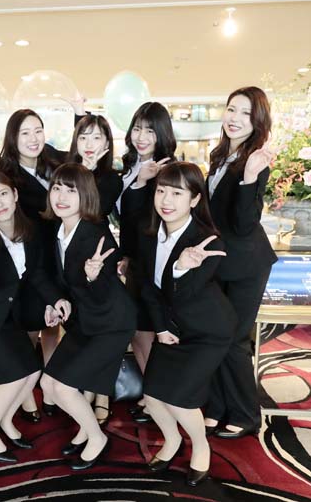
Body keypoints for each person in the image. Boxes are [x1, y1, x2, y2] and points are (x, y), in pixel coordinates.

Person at [0, 170, 71, 462]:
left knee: (32, 371)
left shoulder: (30, 230)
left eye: (3, 194)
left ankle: (6, 421)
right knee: (14, 376)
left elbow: (37, 274)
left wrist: (55, 299)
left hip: (7, 315)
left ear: (15, 195)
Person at [137, 162, 235, 487]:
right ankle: (172, 440)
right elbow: (148, 288)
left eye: (177, 193)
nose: (166, 200)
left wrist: (180, 267)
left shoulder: (208, 242)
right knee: (152, 396)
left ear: (194, 199)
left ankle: (201, 446)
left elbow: (187, 295)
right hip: (171, 327)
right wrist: (161, 328)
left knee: (180, 399)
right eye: (161, 191)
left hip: (208, 331)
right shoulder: (149, 233)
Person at [39, 163, 136, 470]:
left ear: (86, 196)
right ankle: (85, 428)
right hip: (84, 321)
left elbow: (104, 293)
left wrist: (93, 277)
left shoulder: (97, 235)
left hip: (111, 323)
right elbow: (46, 276)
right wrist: (56, 301)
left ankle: (96, 438)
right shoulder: (56, 231)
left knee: (64, 387)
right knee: (48, 384)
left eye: (71, 190)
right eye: (57, 188)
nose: (61, 197)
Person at [203, 86, 278, 439]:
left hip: (248, 264)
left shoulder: (255, 160)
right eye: (231, 109)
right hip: (220, 262)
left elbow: (245, 223)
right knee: (217, 334)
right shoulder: (220, 154)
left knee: (234, 339)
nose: (235, 118)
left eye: (246, 113)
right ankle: (217, 407)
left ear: (257, 120)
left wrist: (249, 178)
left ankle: (247, 414)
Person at [0, 109, 65, 419]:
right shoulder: (6, 175)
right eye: (25, 132)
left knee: (52, 327)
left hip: (58, 254)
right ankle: (25, 395)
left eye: (38, 130)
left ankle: (50, 387)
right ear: (13, 138)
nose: (33, 138)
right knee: (28, 326)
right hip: (28, 259)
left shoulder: (53, 165)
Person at [116, 102, 176, 420]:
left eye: (150, 131)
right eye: (137, 129)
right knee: (138, 331)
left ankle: (161, 397)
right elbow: (125, 221)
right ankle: (154, 395)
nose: (141, 137)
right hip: (136, 263)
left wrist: (142, 184)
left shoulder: (167, 170)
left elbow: (146, 222)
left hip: (157, 264)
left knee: (153, 331)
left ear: (162, 133)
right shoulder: (130, 166)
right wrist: (126, 254)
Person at [66, 113, 123, 425]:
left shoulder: (112, 178)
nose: (89, 144)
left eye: (97, 137)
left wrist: (87, 173)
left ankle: (101, 394)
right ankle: (86, 385)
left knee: (103, 326)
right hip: (73, 256)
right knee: (81, 324)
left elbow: (93, 211)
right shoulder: (66, 172)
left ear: (107, 143)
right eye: (84, 137)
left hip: (101, 256)